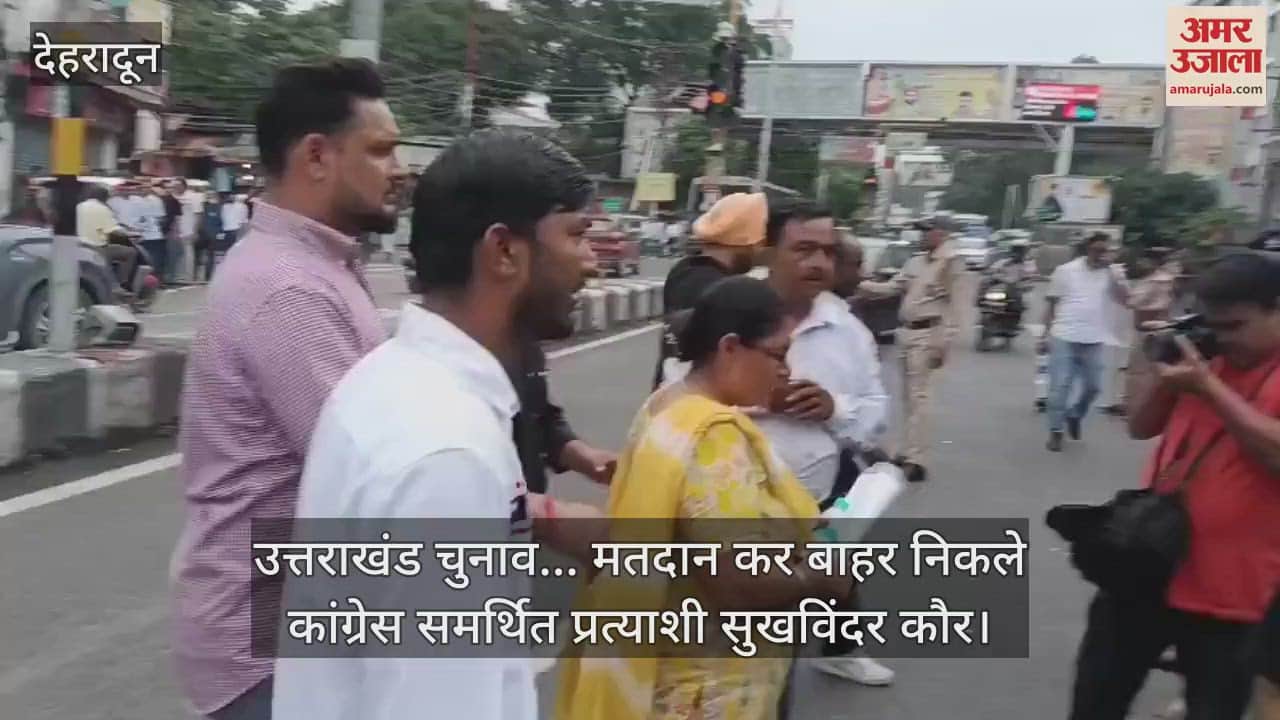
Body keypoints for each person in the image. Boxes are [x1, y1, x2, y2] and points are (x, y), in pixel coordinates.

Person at [273, 128, 596, 720]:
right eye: (576, 235)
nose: (591, 261)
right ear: (503, 251)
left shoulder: (392, 379)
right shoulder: (449, 455)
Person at [171, 57, 406, 720]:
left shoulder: (318, 267)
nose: (398, 170)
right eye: (381, 151)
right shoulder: (290, 291)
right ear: (316, 155)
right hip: (267, 648)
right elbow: (377, 474)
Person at [555, 275, 848, 720]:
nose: (787, 370)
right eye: (777, 354)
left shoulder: (662, 406)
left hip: (666, 664)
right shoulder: (713, 437)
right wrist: (821, 578)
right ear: (730, 348)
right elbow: (738, 578)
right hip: (708, 691)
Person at [1067, 254, 1280, 720]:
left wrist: (1208, 388)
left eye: (1236, 326)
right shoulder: (1206, 354)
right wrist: (1165, 375)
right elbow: (1141, 426)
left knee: (1213, 708)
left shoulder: (1223, 376)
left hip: (1230, 591)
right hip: (1144, 566)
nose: (1224, 339)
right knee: (1095, 701)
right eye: (1214, 325)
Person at [753, 201, 894, 687]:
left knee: (778, 650)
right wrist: (753, 399)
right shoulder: (728, 310)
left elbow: (876, 409)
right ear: (768, 250)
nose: (819, 264)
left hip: (814, 505)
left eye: (828, 253)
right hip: (729, 507)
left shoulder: (848, 330)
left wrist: (835, 409)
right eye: (804, 249)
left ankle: (838, 650)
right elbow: (676, 393)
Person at [857, 216, 961, 483]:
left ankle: (918, 459)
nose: (922, 236)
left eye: (927, 231)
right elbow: (891, 288)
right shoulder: (916, 261)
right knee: (908, 397)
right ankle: (907, 450)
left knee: (919, 398)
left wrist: (944, 343)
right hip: (908, 332)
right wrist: (858, 283)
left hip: (929, 333)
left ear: (942, 233)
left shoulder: (951, 263)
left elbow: (957, 307)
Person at [654, 192, 768, 389]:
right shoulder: (714, 288)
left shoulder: (686, 271)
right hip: (692, 406)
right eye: (758, 245)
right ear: (743, 244)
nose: (760, 252)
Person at [1040, 233, 1130, 452]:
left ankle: (1075, 415)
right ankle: (1056, 431)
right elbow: (1051, 304)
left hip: (1094, 338)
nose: (1101, 255)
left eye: (1105, 250)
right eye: (1097, 250)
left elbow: (1126, 300)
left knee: (1093, 387)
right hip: (1064, 334)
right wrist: (1044, 335)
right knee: (1059, 387)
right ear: (1087, 250)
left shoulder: (1111, 274)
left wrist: (1116, 276)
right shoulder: (1066, 271)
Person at [76, 183, 137, 288]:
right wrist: (132, 234)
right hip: (97, 248)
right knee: (131, 252)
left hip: (80, 246)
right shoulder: (102, 209)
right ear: (105, 197)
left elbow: (98, 228)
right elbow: (114, 230)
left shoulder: (79, 206)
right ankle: (121, 283)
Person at [136, 180, 168, 284]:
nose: (144, 190)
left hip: (154, 235)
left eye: (146, 187)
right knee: (143, 261)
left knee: (156, 260)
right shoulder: (134, 201)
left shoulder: (156, 200)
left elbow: (162, 218)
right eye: (142, 187)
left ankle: (157, 281)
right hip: (139, 236)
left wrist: (157, 226)